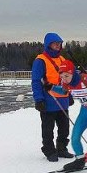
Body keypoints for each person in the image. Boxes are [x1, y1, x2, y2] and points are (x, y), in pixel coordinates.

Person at [31, 32, 74, 162]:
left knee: (64, 128)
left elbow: (67, 78)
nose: (58, 46)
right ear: (48, 44)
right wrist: (39, 99)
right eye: (55, 44)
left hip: (63, 99)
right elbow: (36, 81)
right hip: (48, 100)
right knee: (48, 129)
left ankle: (62, 149)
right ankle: (49, 150)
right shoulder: (40, 60)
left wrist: (70, 94)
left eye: (59, 44)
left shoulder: (62, 59)